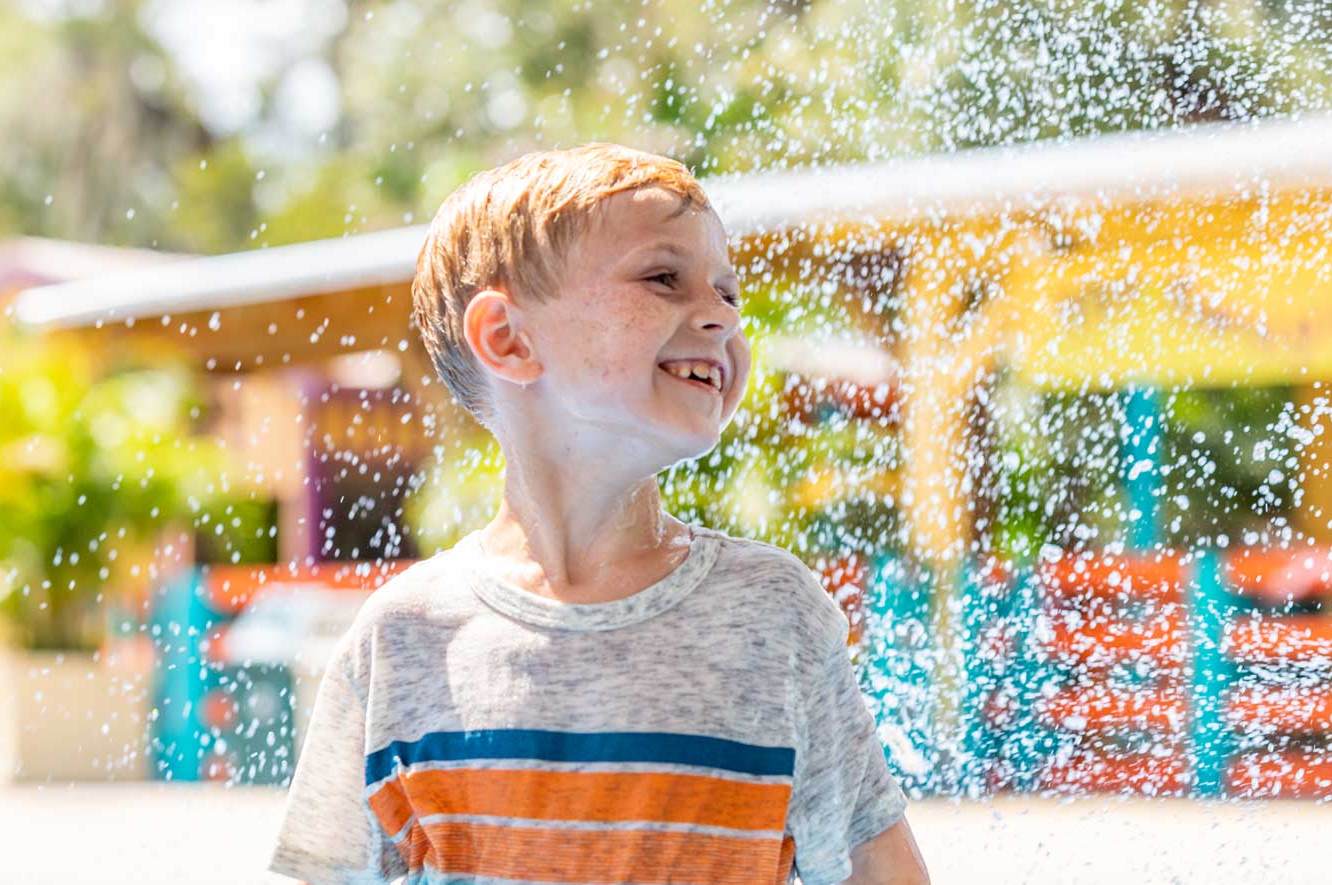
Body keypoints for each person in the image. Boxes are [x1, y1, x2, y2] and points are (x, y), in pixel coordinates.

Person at [267, 143, 930, 884]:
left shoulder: (774, 617)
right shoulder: (405, 640)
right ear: (509, 338)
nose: (719, 316)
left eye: (728, 293)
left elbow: (882, 870)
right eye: (663, 279)